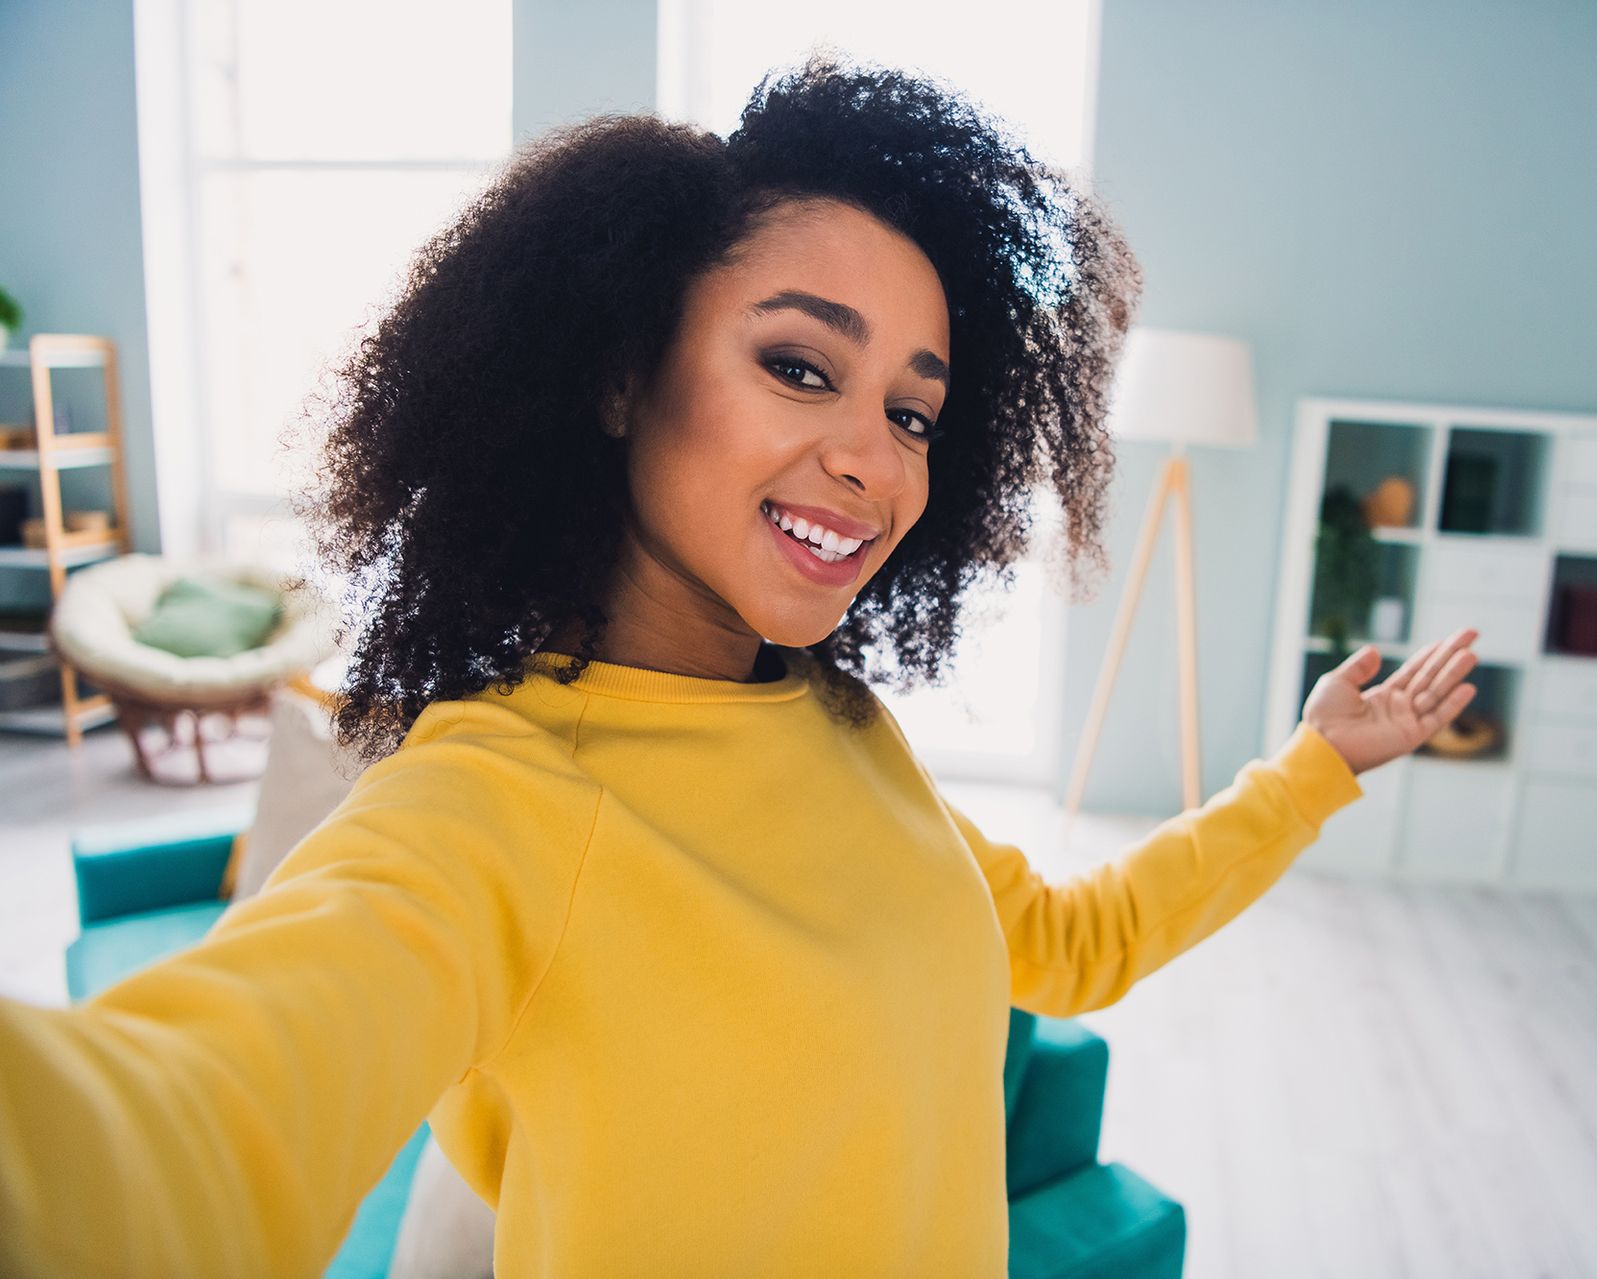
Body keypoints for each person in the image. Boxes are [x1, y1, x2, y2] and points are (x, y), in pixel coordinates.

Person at [0, 55, 1479, 1278]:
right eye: (798, 364)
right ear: (622, 372)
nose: (870, 460)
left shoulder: (843, 730)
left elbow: (1078, 943)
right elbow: (190, 1125)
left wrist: (1312, 770)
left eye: (914, 412)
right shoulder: (498, 803)